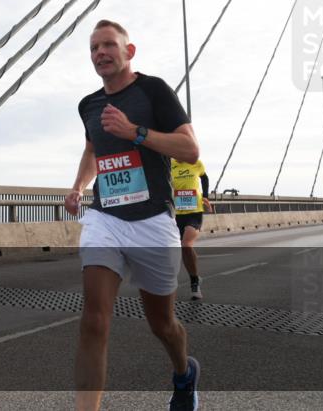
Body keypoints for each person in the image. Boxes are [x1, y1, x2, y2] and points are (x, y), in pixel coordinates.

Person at [65, 20, 201, 411]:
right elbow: (92, 151)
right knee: (94, 320)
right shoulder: (88, 105)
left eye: (108, 45)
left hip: (152, 221)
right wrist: (78, 186)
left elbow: (190, 149)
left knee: (163, 325)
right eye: (94, 48)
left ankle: (183, 373)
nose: (100, 53)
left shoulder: (153, 90)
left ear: (129, 51)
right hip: (105, 218)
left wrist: (135, 133)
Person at [171, 158, 212, 300]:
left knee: (186, 245)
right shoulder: (169, 164)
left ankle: (194, 282)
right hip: (176, 213)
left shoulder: (195, 162)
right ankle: (191, 277)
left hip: (194, 211)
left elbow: (204, 178)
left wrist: (205, 196)